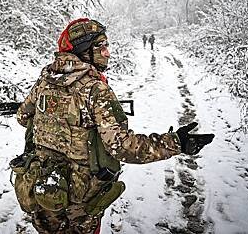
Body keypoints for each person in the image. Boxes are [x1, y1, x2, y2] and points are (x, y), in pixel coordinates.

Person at [12, 18, 214, 234]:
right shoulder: (95, 90)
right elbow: (122, 147)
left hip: (43, 189)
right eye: (101, 46)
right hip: (80, 200)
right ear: (83, 50)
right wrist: (175, 142)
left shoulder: (45, 82)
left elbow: (23, 117)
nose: (107, 52)